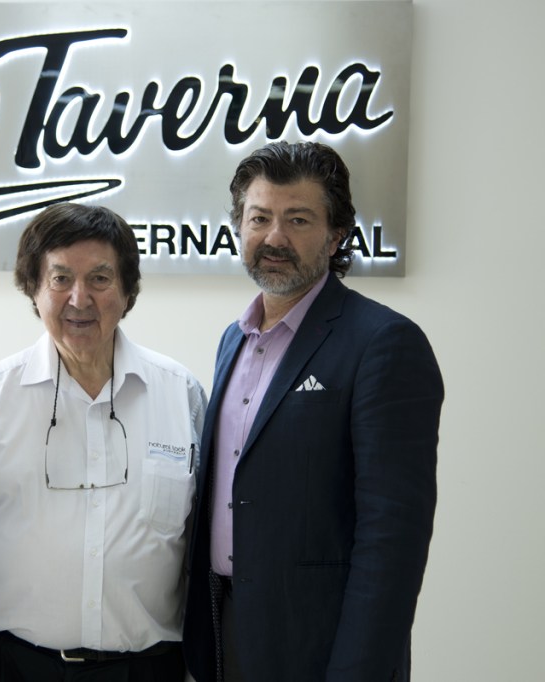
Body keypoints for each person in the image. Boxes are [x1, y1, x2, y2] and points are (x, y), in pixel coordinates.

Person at [182, 141, 444, 681]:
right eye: (260, 218)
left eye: (298, 219)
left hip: (320, 646)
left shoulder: (383, 343)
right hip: (226, 628)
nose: (275, 237)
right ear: (239, 227)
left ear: (336, 234)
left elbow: (392, 540)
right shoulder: (233, 340)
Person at [0, 202, 206, 682]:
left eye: (100, 279)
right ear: (33, 289)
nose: (79, 298)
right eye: (60, 279)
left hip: (148, 668)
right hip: (12, 666)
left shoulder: (182, 395)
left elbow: (200, 553)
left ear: (128, 291)